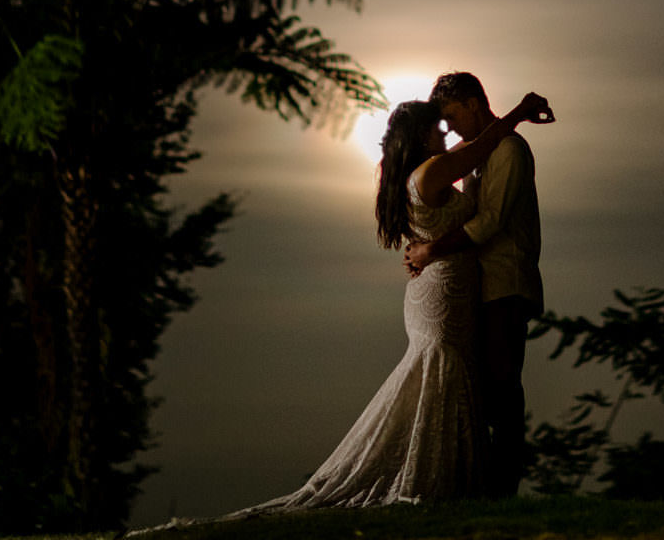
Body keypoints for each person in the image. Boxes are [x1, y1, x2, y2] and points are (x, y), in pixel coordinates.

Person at [231, 91, 552, 512]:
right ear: (421, 135)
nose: (447, 132)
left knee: (449, 376)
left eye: (449, 122)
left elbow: (472, 149)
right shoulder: (434, 170)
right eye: (439, 128)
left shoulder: (405, 172)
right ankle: (446, 479)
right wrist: (521, 112)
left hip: (437, 287)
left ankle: (459, 479)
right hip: (443, 285)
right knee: (447, 373)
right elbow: (478, 148)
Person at [402, 71, 543, 498]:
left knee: (503, 389)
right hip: (479, 289)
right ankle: (479, 484)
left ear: (470, 103)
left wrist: (431, 251)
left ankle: (502, 489)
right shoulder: (479, 153)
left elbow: (489, 223)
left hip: (506, 285)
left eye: (450, 115)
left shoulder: (510, 152)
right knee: (481, 392)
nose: (447, 127)